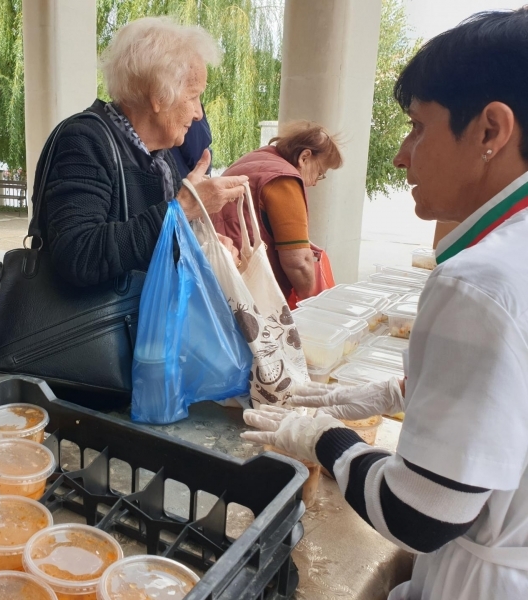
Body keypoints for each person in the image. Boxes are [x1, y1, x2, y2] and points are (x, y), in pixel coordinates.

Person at [243, 9, 528, 599]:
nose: (401, 155)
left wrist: (320, 434)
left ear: (491, 131)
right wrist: (386, 393)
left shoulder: (481, 281)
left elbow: (419, 515)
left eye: (418, 127)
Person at [35, 16, 246, 290]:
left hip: (144, 326)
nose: (198, 113)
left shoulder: (161, 157)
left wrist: (203, 247)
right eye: (193, 96)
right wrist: (182, 209)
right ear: (158, 95)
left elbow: (151, 243)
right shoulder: (84, 141)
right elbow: (79, 255)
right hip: (95, 328)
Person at [211, 122, 342, 302]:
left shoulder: (255, 159)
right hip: (248, 293)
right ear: (305, 157)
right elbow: (298, 263)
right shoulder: (284, 179)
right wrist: (313, 308)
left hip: (218, 277)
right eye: (319, 172)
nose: (315, 183)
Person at [169, 103, 213, 178]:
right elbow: (198, 153)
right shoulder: (189, 107)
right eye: (194, 96)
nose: (199, 115)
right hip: (182, 180)